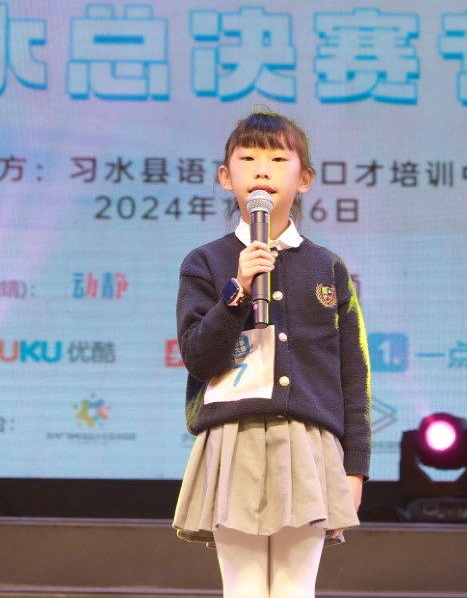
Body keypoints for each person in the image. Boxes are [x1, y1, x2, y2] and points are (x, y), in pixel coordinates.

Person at [173, 110, 370, 598]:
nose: (262, 170)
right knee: (242, 590)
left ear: (304, 179)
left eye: (278, 159)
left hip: (308, 445)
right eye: (248, 159)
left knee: (294, 591)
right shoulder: (205, 263)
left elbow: (353, 373)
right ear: (226, 177)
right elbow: (198, 358)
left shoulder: (328, 268)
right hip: (234, 439)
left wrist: (355, 468)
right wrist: (237, 291)